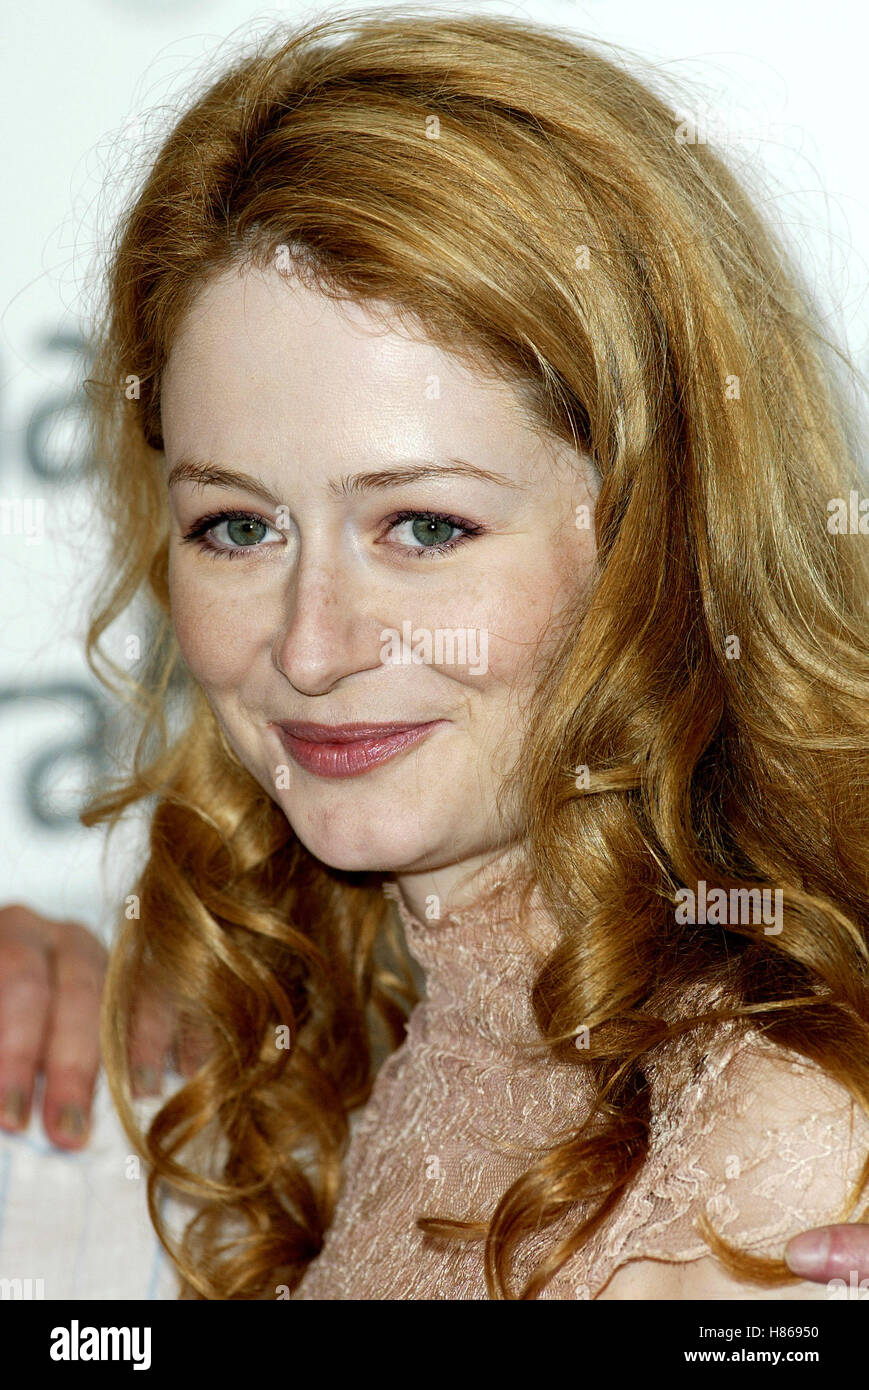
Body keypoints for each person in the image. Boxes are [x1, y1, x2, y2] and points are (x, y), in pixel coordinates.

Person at [2, 6, 869, 1300]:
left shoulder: (781, 1158)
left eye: (423, 525)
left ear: (661, 534)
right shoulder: (291, 1062)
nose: (308, 647)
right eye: (236, 525)